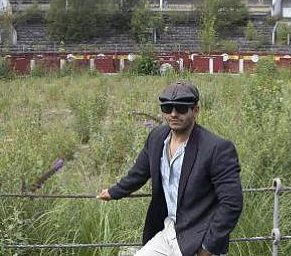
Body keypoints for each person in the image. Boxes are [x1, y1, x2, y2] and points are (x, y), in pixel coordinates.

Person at [97, 81, 243, 256]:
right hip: (169, 231)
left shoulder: (216, 148)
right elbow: (139, 173)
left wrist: (208, 247)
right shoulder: (157, 138)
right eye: (167, 108)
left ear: (195, 110)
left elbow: (232, 203)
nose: (173, 114)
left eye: (181, 108)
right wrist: (113, 192)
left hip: (198, 238)